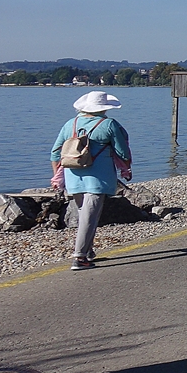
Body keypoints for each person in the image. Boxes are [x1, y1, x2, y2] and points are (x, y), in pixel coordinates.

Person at [50, 91, 132, 271]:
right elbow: (123, 152)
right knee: (89, 216)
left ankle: (88, 251)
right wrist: (126, 168)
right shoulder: (109, 124)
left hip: (73, 176)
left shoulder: (70, 124)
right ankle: (79, 257)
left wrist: (58, 176)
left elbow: (55, 154)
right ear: (104, 108)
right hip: (98, 177)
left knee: (84, 214)